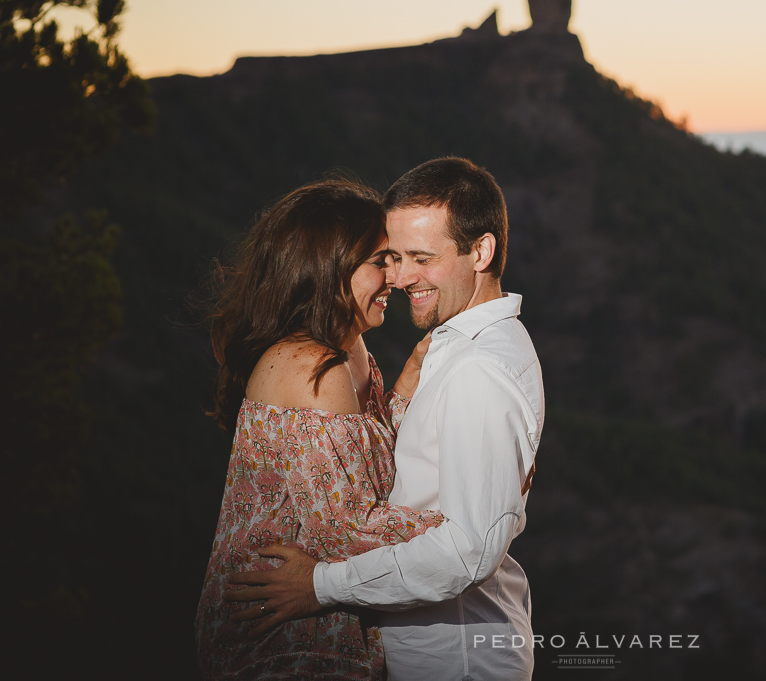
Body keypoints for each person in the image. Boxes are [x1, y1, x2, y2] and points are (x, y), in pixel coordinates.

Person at [225, 157, 544, 680]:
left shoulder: (478, 369)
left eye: (421, 257)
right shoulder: (448, 347)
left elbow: (469, 549)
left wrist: (320, 586)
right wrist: (494, 507)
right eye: (392, 257)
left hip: (455, 658)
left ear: (480, 251)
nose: (400, 277)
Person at [195, 179, 444, 680]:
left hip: (314, 620)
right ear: (331, 268)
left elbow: (360, 466)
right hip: (279, 639)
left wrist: (405, 388)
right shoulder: (313, 366)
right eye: (381, 261)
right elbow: (344, 530)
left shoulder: (349, 350)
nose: (395, 277)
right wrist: (466, 518)